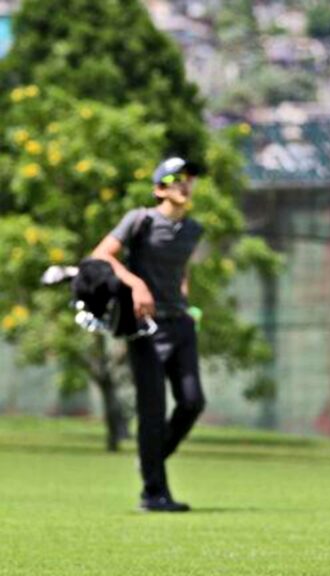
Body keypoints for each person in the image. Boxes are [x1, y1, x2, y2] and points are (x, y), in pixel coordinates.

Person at [91, 157, 205, 512]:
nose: (183, 185)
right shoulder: (139, 220)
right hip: (146, 329)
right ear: (159, 189)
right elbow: (101, 255)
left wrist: (185, 296)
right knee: (152, 411)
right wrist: (136, 284)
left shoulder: (193, 229)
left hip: (181, 324)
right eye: (174, 179)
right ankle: (153, 493)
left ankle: (151, 460)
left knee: (192, 402)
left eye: (188, 179)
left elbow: (181, 267)